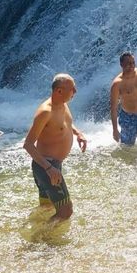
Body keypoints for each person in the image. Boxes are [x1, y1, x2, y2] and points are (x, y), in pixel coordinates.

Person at [23, 73, 87, 221]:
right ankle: (42, 235)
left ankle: (37, 230)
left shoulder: (63, 104)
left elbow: (66, 123)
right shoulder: (45, 112)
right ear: (59, 91)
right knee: (66, 211)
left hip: (53, 166)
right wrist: (49, 168)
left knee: (47, 207)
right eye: (72, 89)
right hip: (46, 166)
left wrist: (78, 133)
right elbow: (28, 144)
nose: (75, 91)